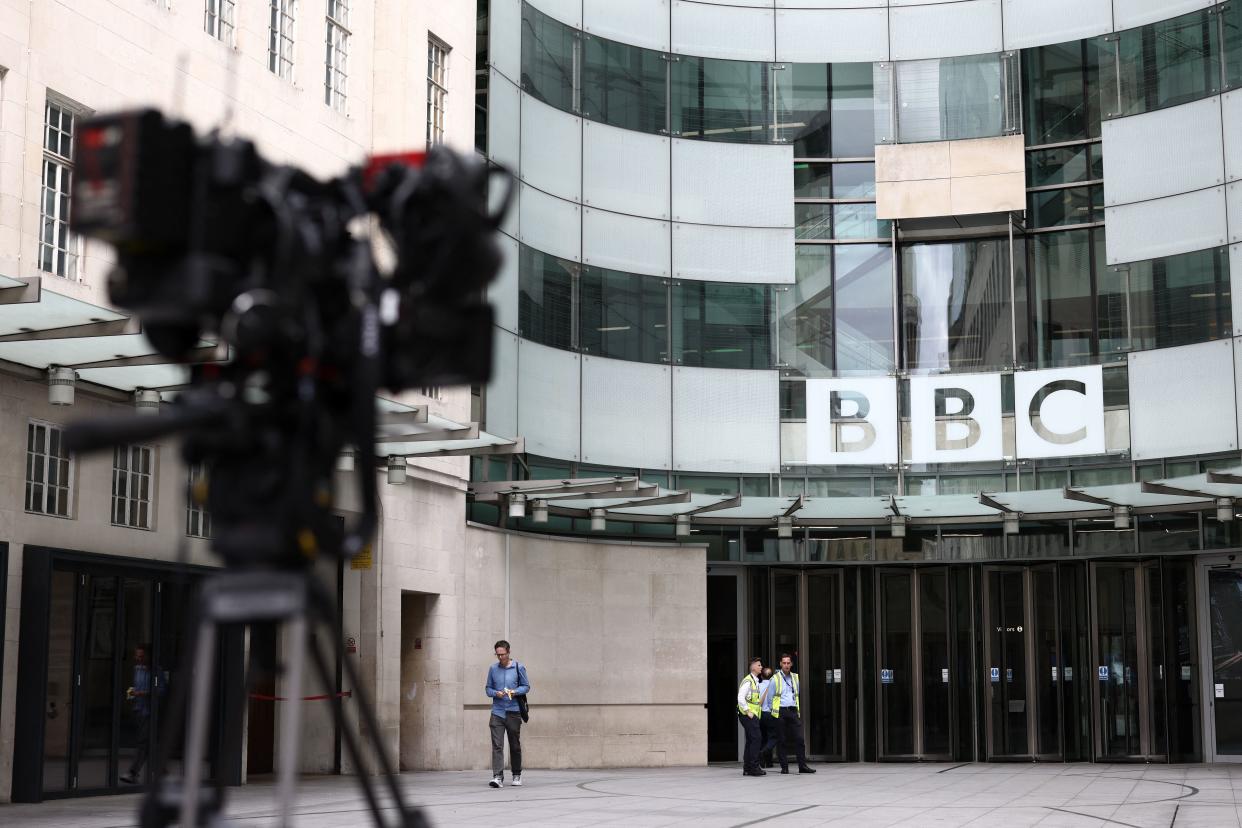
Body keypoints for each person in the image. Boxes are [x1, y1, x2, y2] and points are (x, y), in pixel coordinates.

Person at [484, 639, 529, 788]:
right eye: (498, 655)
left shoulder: (518, 667)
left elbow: (526, 687)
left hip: (513, 712)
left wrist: (514, 692)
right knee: (497, 745)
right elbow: (488, 689)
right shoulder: (493, 669)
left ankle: (516, 775)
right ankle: (497, 777)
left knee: (514, 745)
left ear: (508, 652)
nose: (500, 657)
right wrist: (496, 693)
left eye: (503, 654)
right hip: (497, 712)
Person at [771, 653, 816, 774]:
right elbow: (770, 698)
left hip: (792, 711)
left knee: (800, 739)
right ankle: (784, 767)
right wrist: (774, 712)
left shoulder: (795, 677)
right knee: (782, 740)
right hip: (780, 711)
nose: (786, 665)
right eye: (784, 663)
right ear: (780, 664)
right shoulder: (775, 678)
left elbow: (796, 694)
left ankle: (802, 766)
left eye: (788, 663)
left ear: (791, 664)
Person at [119, 644, 155, 784]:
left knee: (143, 742)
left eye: (141, 656)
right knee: (150, 743)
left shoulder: (155, 671)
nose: (138, 658)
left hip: (150, 711)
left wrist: (140, 693)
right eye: (136, 656)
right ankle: (164, 773)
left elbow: (160, 690)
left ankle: (133, 773)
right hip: (138, 709)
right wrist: (132, 692)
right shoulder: (137, 670)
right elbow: (136, 687)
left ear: (148, 656)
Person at [736, 657, 765, 776]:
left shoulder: (755, 681)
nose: (761, 667)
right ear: (753, 667)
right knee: (756, 738)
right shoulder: (748, 681)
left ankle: (747, 767)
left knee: (750, 740)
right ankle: (754, 767)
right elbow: (740, 697)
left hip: (751, 715)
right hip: (748, 715)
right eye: (759, 665)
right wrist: (748, 711)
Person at [758, 666, 777, 768]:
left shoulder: (758, 686)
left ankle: (767, 762)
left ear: (761, 676)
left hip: (760, 714)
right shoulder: (774, 685)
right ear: (772, 676)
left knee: (763, 738)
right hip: (770, 714)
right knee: (774, 737)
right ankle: (764, 752)